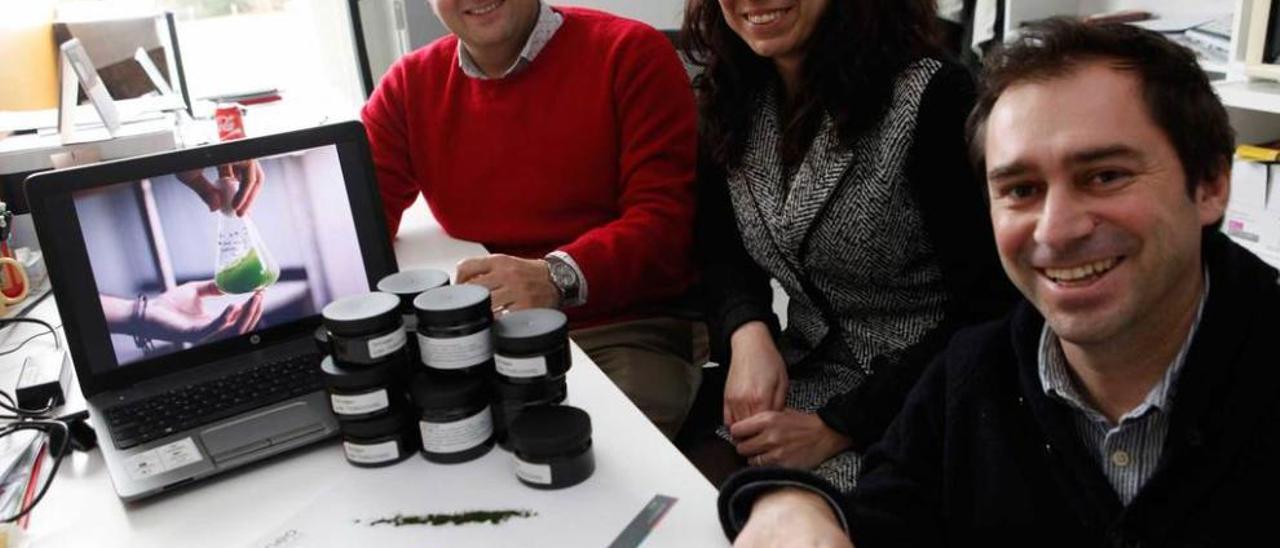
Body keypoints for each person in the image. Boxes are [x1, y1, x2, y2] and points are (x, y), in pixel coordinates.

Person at [719, 19, 1280, 547]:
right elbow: (883, 513)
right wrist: (794, 506)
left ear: (1210, 185)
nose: (1055, 231)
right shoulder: (969, 380)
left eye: (1106, 176)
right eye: (1020, 190)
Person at [683, 0, 1014, 488]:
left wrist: (839, 427)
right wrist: (747, 330)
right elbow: (720, 249)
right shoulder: (731, 93)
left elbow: (990, 306)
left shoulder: (933, 96)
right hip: (804, 370)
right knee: (675, 482)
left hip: (927, 390)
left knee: (783, 514)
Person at [361, 0, 704, 438]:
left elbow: (665, 224)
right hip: (482, 334)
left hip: (619, 326)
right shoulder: (410, 85)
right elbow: (360, 221)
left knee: (591, 456)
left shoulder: (630, 54)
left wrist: (553, 277)